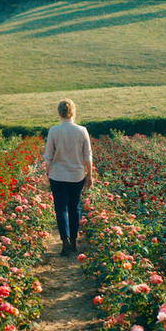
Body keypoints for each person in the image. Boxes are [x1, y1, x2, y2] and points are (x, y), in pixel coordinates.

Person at [43, 99, 93, 256]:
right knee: (74, 207)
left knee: (61, 209)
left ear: (59, 112)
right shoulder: (82, 130)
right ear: (74, 111)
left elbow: (48, 156)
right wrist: (90, 174)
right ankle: (73, 241)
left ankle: (64, 243)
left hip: (58, 175)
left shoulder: (54, 131)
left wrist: (47, 173)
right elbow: (88, 155)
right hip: (77, 175)